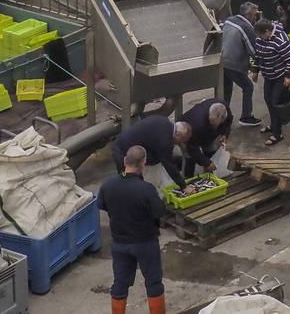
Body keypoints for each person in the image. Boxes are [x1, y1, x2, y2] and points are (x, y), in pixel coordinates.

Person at [99, 146, 169, 314]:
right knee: (153, 283)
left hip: (119, 243)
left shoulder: (108, 184)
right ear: (144, 163)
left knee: (120, 283)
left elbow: (102, 205)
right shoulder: (146, 189)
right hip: (145, 243)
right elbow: (159, 212)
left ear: (125, 161)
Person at [251, 18, 290, 146]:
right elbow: (258, 55)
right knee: (268, 99)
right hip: (268, 76)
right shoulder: (261, 39)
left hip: (280, 77)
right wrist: (255, 70)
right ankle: (274, 124)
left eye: (260, 35)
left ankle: (277, 134)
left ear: (266, 31)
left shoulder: (281, 40)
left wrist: (288, 76)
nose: (258, 38)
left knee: (275, 103)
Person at [111, 114, 191, 185]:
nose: (180, 144)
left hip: (125, 143)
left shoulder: (163, 120)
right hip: (122, 152)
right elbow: (168, 164)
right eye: (181, 141)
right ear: (177, 135)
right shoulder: (165, 141)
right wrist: (183, 186)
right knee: (130, 183)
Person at [219, 2, 263, 127]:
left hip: (221, 61)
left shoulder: (229, 20)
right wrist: (257, 67)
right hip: (234, 64)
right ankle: (246, 117)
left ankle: (222, 116)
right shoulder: (246, 28)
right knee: (248, 87)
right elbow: (255, 52)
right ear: (249, 14)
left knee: (226, 90)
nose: (257, 17)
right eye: (256, 15)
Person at [178, 98, 232, 178]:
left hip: (207, 133)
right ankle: (187, 179)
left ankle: (210, 176)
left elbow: (228, 121)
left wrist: (224, 134)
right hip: (185, 133)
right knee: (189, 158)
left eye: (215, 124)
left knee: (211, 152)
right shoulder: (197, 125)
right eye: (211, 122)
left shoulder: (224, 108)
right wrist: (206, 162)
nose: (212, 125)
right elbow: (192, 149)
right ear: (208, 115)